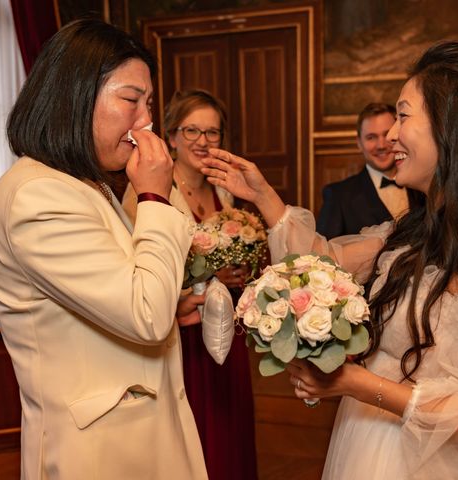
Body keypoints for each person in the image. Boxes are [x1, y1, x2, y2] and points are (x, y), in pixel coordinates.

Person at [201, 41, 458, 479]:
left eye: (404, 115)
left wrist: (362, 385)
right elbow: (321, 263)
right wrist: (264, 196)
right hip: (369, 445)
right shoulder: (413, 228)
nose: (392, 135)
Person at [0, 19, 207, 479]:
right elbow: (144, 316)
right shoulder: (37, 196)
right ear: (76, 95)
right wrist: (154, 196)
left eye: (148, 103)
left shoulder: (86, 187)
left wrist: (171, 299)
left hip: (136, 437)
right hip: (98, 453)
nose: (145, 120)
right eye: (130, 100)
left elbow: (128, 289)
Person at [123, 89, 258, 480]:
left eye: (212, 133)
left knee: (229, 423)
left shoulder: (224, 189)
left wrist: (238, 270)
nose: (202, 141)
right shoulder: (149, 191)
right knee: (191, 433)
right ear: (171, 137)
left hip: (223, 330)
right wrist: (204, 279)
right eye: (192, 130)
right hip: (179, 331)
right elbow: (139, 258)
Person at [316, 102, 417, 238]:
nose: (381, 145)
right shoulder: (338, 196)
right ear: (359, 143)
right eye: (371, 137)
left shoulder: (421, 188)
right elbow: (323, 256)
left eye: (386, 134)